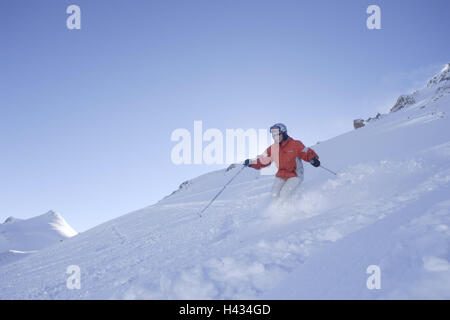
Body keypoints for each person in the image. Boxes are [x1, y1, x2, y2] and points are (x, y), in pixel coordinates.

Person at [244, 123, 320, 199]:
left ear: (283, 133)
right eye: (273, 135)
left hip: (295, 174)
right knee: (274, 195)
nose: (275, 137)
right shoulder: (273, 148)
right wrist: (251, 163)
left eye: (277, 134)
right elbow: (263, 160)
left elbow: (306, 152)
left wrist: (312, 158)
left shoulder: (295, 144)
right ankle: (275, 209)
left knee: (284, 193)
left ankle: (289, 209)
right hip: (281, 175)